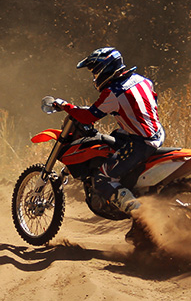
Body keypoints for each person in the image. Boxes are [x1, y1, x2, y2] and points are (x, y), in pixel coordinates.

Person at [53, 47, 164, 213]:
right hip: (157, 133)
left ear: (106, 69)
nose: (95, 76)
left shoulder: (113, 93)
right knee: (113, 138)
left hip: (140, 143)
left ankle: (139, 217)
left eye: (95, 71)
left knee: (102, 178)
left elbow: (88, 117)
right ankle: (129, 190)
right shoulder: (143, 80)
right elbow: (153, 100)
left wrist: (65, 106)